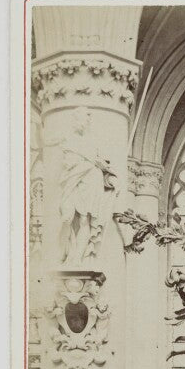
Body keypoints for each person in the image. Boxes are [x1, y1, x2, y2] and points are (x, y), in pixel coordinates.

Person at [59, 107, 117, 264]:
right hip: (73, 180)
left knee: (85, 220)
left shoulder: (94, 141)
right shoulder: (68, 140)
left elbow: (104, 163)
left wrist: (110, 177)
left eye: (87, 119)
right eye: (84, 118)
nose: (85, 122)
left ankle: (77, 257)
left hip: (92, 180)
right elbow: (68, 162)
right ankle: (67, 252)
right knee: (67, 217)